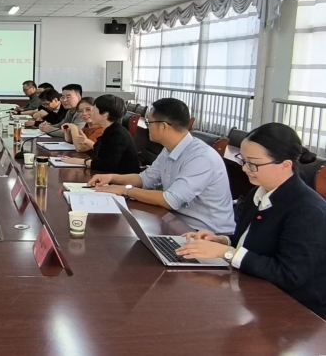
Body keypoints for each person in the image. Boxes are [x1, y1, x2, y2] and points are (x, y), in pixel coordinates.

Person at [176, 123, 326, 319]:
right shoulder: (258, 192)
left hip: (296, 311)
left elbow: (290, 275)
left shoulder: (307, 210)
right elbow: (255, 241)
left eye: (253, 164)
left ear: (285, 165)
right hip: (254, 293)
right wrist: (222, 241)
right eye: (243, 160)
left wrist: (227, 253)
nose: (245, 169)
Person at [88, 98, 234, 233]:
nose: (147, 128)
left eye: (149, 123)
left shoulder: (201, 158)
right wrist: (112, 178)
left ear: (163, 126)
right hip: (175, 222)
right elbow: (145, 179)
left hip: (205, 233)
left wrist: (124, 190)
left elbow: (170, 200)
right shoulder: (169, 149)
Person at [62, 95, 140, 174]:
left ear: (105, 113)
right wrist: (86, 141)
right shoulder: (110, 130)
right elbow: (101, 150)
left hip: (121, 179)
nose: (91, 113)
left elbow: (107, 164)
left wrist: (82, 161)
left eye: (94, 109)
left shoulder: (118, 134)